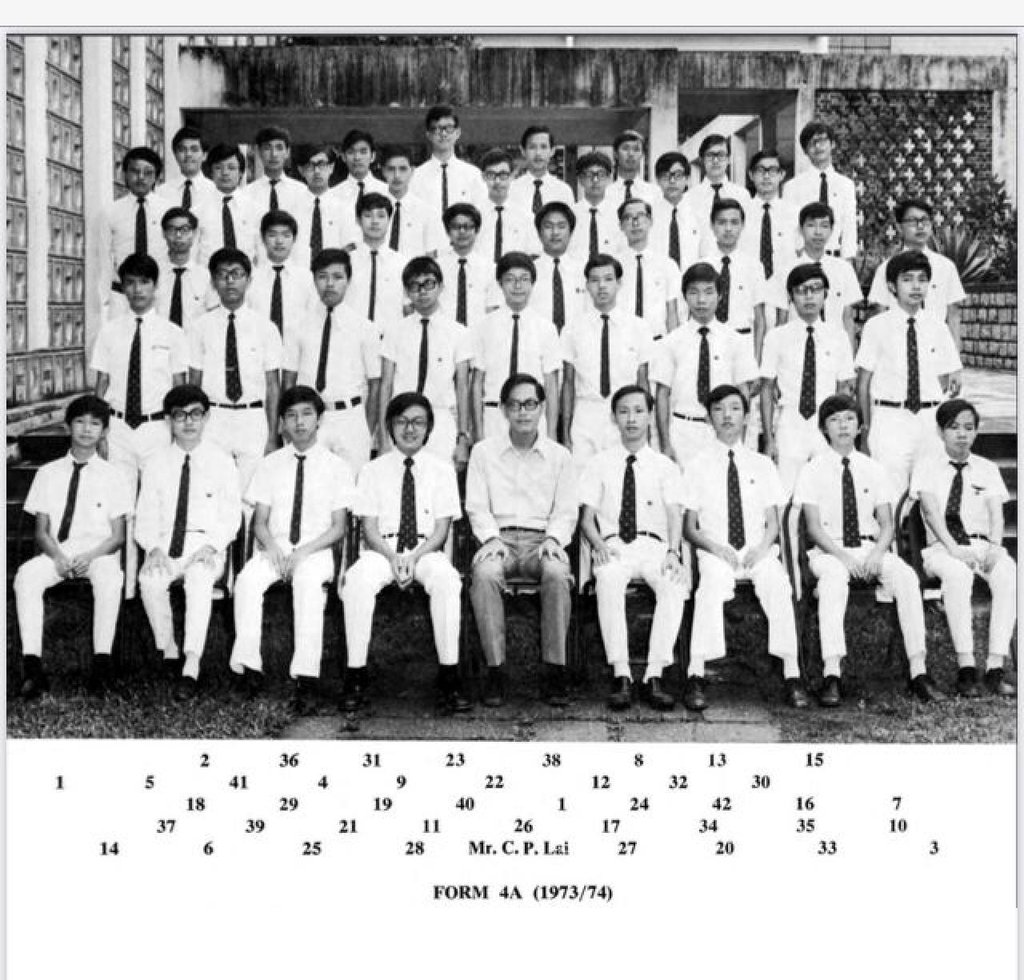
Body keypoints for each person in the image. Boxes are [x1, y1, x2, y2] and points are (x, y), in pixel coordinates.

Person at [794, 394, 939, 706]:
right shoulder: (812, 469)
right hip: (829, 551)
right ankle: (832, 673)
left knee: (906, 577)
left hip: (868, 546)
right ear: (824, 429)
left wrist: (876, 554)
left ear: (860, 426)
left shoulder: (874, 468)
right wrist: (842, 558)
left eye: (849, 418)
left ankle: (918, 670)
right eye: (834, 420)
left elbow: (886, 524)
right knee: (833, 579)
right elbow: (813, 527)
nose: (843, 425)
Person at [681, 385, 809, 710]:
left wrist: (763, 547)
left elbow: (773, 521)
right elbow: (689, 526)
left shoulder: (762, 464)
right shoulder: (696, 465)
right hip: (715, 550)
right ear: (709, 417)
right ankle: (696, 672)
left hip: (757, 549)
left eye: (735, 408)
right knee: (709, 586)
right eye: (720, 409)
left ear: (746, 416)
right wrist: (714, 547)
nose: (727, 415)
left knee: (777, 583)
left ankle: (792, 673)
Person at [340, 392, 468, 714]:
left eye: (418, 422)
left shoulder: (442, 471)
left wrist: (413, 556)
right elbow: (368, 527)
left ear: (429, 428)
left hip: (426, 549)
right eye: (402, 422)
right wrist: (392, 556)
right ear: (389, 427)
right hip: (382, 549)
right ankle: (355, 676)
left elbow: (442, 529)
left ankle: (450, 679)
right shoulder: (372, 470)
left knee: (448, 581)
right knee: (356, 580)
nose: (409, 429)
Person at [229, 386, 353, 713]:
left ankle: (306, 679)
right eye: (292, 416)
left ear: (319, 420)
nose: (299, 422)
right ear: (282, 422)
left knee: (308, 584)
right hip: (276, 546)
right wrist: (272, 549)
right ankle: (249, 669)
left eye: (307, 414)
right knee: (246, 582)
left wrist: (303, 552)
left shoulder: (336, 466)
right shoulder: (270, 464)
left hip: (316, 548)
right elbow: (259, 522)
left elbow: (339, 527)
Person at [466, 373, 578, 706]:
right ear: (502, 410)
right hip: (497, 540)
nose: (523, 412)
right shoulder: (483, 453)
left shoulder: (560, 456)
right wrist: (489, 538)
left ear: (543, 407)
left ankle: (554, 669)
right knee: (485, 576)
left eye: (530, 404)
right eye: (514, 405)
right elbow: (476, 505)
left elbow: (567, 509)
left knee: (558, 574)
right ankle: (495, 670)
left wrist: (555, 538)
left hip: (542, 540)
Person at [14, 395, 131, 699]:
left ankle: (102, 666)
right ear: (68, 426)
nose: (87, 429)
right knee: (26, 576)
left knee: (110, 578)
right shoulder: (48, 472)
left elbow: (117, 536)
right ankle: (32, 667)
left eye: (95, 424)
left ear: (105, 431)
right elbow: (41, 532)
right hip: (57, 549)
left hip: (98, 551)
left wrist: (89, 557)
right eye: (80, 422)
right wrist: (58, 557)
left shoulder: (115, 476)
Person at [580, 385, 688, 711]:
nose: (631, 418)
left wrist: (673, 551)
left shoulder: (665, 465)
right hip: (613, 545)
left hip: (653, 546)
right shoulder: (599, 463)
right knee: (609, 579)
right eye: (624, 411)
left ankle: (655, 674)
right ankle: (622, 673)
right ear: (614, 417)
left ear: (650, 415)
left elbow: (674, 516)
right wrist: (598, 543)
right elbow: (586, 519)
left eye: (639, 411)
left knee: (673, 583)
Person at [134, 384, 241, 700]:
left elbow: (231, 515)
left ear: (206, 417)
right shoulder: (155, 463)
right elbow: (145, 514)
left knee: (199, 579)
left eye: (196, 414)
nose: (188, 422)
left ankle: (192, 663)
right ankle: (169, 651)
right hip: (166, 544)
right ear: (169, 420)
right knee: (149, 580)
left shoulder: (221, 461)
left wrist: (212, 546)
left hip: (206, 545)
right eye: (180, 416)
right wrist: (152, 548)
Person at [910, 398, 1016, 697]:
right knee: (958, 575)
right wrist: (954, 549)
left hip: (982, 544)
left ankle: (995, 667)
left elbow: (997, 513)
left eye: (969, 428)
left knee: (1009, 573)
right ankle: (966, 668)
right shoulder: (927, 467)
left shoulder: (987, 468)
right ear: (940, 432)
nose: (961, 434)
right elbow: (930, 512)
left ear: (976, 433)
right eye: (953, 427)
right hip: (942, 549)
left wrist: (996, 546)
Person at [855, 251, 963, 492]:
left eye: (922, 279)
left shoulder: (938, 327)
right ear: (892, 286)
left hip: (929, 420)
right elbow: (864, 383)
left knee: (931, 495)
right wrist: (866, 428)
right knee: (890, 495)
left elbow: (946, 378)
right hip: (890, 418)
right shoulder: (876, 326)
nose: (916, 286)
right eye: (907, 279)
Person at [188, 247, 283, 493]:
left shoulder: (265, 328)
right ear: (213, 282)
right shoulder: (200, 327)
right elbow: (194, 383)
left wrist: (273, 435)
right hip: (214, 418)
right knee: (212, 492)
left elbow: (273, 386)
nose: (230, 281)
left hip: (252, 418)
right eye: (222, 274)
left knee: (251, 496)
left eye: (237, 274)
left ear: (249, 280)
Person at [92, 253, 189, 484]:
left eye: (144, 282)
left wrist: (178, 431)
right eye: (130, 282)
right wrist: (101, 430)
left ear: (155, 286)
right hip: (118, 429)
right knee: (119, 500)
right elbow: (101, 383)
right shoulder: (109, 331)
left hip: (158, 428)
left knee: (157, 499)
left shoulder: (173, 333)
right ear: (123, 287)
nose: (137, 290)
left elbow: (179, 386)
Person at [282, 247, 380, 475]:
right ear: (313, 279)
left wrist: (367, 427)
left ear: (348, 281)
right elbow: (289, 379)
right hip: (309, 418)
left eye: (337, 277)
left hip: (350, 417)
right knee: (310, 485)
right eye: (322, 277)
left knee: (351, 491)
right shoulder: (297, 326)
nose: (329, 284)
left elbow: (375, 384)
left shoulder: (365, 328)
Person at [652, 262, 758, 470]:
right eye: (694, 293)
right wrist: (665, 444)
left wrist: (740, 442)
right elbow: (662, 394)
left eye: (709, 292)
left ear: (720, 296)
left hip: (723, 430)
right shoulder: (670, 342)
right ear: (684, 297)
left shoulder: (736, 340)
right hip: (683, 430)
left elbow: (744, 392)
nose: (701, 300)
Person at [760, 263, 856, 492]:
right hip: (791, 421)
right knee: (787, 491)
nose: (809, 296)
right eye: (802, 291)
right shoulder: (776, 337)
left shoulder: (838, 337)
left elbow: (844, 388)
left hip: (826, 423)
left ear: (826, 295)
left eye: (816, 289)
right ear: (791, 297)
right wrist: (770, 439)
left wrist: (840, 433)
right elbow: (766, 389)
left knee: (828, 491)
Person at [379, 256, 472, 466]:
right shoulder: (394, 331)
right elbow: (386, 385)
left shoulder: (459, 333)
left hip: (441, 418)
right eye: (414, 286)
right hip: (402, 418)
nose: (422, 291)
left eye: (428, 284)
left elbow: (462, 387)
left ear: (441, 287)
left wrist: (463, 438)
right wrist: (384, 438)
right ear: (406, 292)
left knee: (440, 488)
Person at [561, 253, 652, 468]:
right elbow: (567, 383)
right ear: (587, 286)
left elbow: (643, 381)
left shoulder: (638, 327)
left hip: (624, 413)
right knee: (583, 484)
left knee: (623, 478)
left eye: (608, 279)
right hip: (586, 413)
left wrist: (644, 428)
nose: (602, 286)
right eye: (595, 280)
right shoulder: (573, 329)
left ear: (619, 283)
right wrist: (565, 432)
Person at [472, 252, 561, 441]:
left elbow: (551, 385)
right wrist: (478, 433)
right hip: (495, 415)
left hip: (533, 417)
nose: (518, 286)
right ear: (500, 284)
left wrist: (552, 434)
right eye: (510, 280)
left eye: (524, 279)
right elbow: (477, 382)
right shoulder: (484, 326)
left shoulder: (546, 328)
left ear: (533, 283)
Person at [867, 198, 966, 346]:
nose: (920, 227)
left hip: (936, 348)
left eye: (925, 221)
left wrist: (955, 358)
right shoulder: (886, 268)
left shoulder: (946, 267)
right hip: (898, 349)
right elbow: (879, 312)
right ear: (899, 227)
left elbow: (953, 315)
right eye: (913, 222)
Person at [769, 202, 863, 350]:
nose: (818, 232)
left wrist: (849, 363)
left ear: (832, 230)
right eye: (811, 225)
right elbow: (782, 320)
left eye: (824, 226)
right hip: (797, 348)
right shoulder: (786, 269)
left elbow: (848, 319)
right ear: (801, 229)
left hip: (834, 349)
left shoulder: (844, 269)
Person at [96, 146, 165, 307]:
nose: (141, 178)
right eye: (135, 171)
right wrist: (104, 300)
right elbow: (103, 259)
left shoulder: (168, 211)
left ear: (156, 177)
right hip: (121, 294)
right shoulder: (111, 212)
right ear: (125, 174)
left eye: (148, 173)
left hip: (159, 293)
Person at [701, 197, 768, 360]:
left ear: (742, 226)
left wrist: (757, 360)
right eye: (722, 223)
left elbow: (760, 318)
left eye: (734, 222)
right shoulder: (702, 265)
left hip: (742, 342)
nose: (728, 229)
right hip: (710, 342)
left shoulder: (754, 267)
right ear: (712, 226)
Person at [782, 120, 858, 261]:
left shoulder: (846, 185)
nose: (818, 147)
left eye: (822, 141)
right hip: (804, 259)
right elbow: (790, 228)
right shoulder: (792, 187)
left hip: (836, 258)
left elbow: (849, 227)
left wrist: (848, 261)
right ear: (805, 151)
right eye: (812, 143)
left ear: (832, 144)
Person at [615, 197, 681, 342]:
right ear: (621, 225)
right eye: (628, 218)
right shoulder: (613, 266)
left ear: (650, 221)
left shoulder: (667, 265)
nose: (635, 222)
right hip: (623, 344)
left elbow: (672, 313)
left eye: (640, 216)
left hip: (657, 343)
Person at [344, 192, 410, 332]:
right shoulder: (346, 261)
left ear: (389, 220)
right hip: (351, 340)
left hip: (389, 342)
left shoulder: (402, 263)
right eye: (368, 215)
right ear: (358, 220)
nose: (374, 221)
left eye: (381, 216)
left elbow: (408, 308)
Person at [409, 104, 487, 221]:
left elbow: (482, 214)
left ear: (458, 132)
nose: (443, 134)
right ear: (428, 134)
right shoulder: (416, 177)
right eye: (436, 129)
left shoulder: (473, 175)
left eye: (449, 128)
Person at [247, 210, 317, 336]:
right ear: (263, 238)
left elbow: (313, 320)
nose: (279, 241)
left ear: (294, 239)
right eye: (272, 235)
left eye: (286, 235)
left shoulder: (306, 278)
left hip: (295, 351)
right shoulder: (252, 278)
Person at [434, 202, 500, 330]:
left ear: (477, 230)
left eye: (468, 227)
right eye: (456, 226)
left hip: (477, 336)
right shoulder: (436, 267)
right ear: (447, 231)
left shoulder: (490, 269)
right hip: (443, 335)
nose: (462, 231)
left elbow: (493, 310)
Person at [294, 145, 360, 267]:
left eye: (322, 165)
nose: (317, 171)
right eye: (310, 166)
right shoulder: (292, 207)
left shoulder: (344, 206)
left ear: (331, 167)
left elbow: (350, 246)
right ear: (300, 170)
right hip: (299, 276)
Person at [740, 148, 797, 287]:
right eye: (760, 170)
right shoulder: (740, 213)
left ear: (782, 174)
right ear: (751, 175)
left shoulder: (794, 214)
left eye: (772, 170)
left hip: (785, 288)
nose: (766, 176)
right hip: (749, 288)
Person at [195, 143, 261, 264]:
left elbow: (261, 253)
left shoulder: (256, 210)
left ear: (241, 172)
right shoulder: (197, 212)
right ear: (211, 172)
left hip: (247, 278)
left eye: (231, 168)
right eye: (218, 168)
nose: (225, 173)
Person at [686, 134, 752, 255]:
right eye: (710, 155)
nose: (715, 160)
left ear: (728, 159)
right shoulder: (690, 198)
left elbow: (747, 235)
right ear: (702, 159)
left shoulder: (742, 195)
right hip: (701, 265)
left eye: (721, 155)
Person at [530, 201, 588, 332]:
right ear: (539, 232)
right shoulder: (528, 271)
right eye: (548, 226)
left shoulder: (583, 271)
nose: (555, 232)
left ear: (571, 232)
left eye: (561, 226)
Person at [477, 148, 541, 265]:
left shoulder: (525, 216)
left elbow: (534, 253)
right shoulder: (475, 214)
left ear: (512, 176)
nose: (497, 181)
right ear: (483, 177)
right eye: (491, 175)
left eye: (503, 175)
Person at [381, 144, 437, 256]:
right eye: (391, 169)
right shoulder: (374, 209)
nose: (397, 175)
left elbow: (431, 255)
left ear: (412, 171)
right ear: (383, 171)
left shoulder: (427, 212)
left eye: (403, 169)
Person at [568, 151, 624, 262]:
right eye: (589, 175)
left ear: (610, 178)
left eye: (601, 174)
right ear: (580, 179)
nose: (595, 180)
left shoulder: (619, 214)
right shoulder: (570, 215)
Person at [241, 125, 307, 219]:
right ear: (259, 152)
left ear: (287, 152)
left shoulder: (301, 191)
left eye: (279, 148)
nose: (274, 154)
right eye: (267, 148)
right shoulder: (246, 194)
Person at [650, 151, 700, 273]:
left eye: (677, 176)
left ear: (687, 179)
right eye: (665, 176)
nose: (672, 181)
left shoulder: (698, 213)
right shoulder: (648, 215)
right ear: (657, 180)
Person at [508, 124, 575, 214]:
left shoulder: (563, 191)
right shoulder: (511, 190)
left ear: (552, 151)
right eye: (532, 147)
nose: (538, 153)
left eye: (543, 147)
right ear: (523, 151)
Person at [327, 128, 388, 211]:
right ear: (344, 157)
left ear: (373, 156)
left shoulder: (386, 191)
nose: (357, 158)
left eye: (363, 152)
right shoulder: (333, 194)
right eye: (351, 152)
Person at [160, 125, 217, 213]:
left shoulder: (215, 191)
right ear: (175, 155)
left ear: (205, 155)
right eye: (182, 150)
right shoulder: (162, 192)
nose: (188, 154)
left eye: (194, 149)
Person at [606, 129, 658, 209]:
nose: (630, 154)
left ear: (642, 155)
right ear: (615, 154)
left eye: (636, 149)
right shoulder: (606, 192)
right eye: (625, 149)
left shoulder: (654, 192)